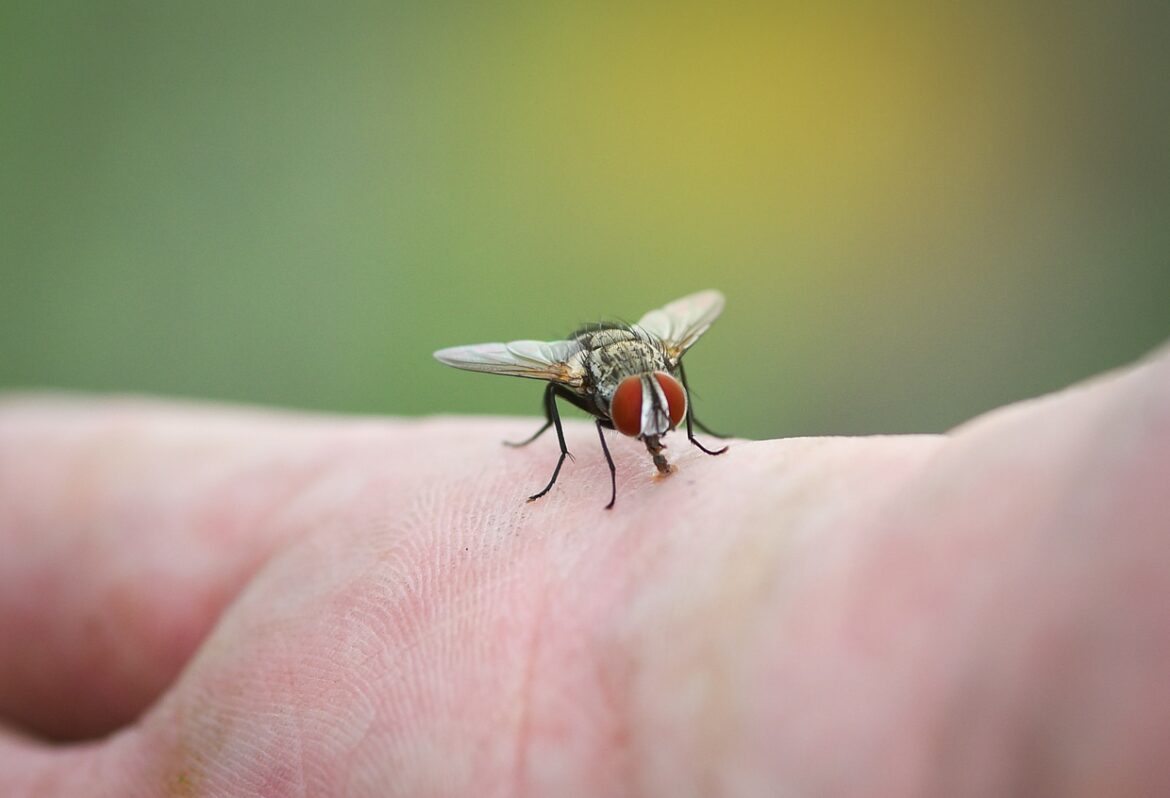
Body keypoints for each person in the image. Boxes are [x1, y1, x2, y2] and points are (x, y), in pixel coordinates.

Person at [1, 344, 1167, 797]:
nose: (653, 420)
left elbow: (673, 361)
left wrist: (681, 432)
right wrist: (587, 454)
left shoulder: (660, 377)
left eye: (662, 406)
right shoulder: (570, 388)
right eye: (642, 410)